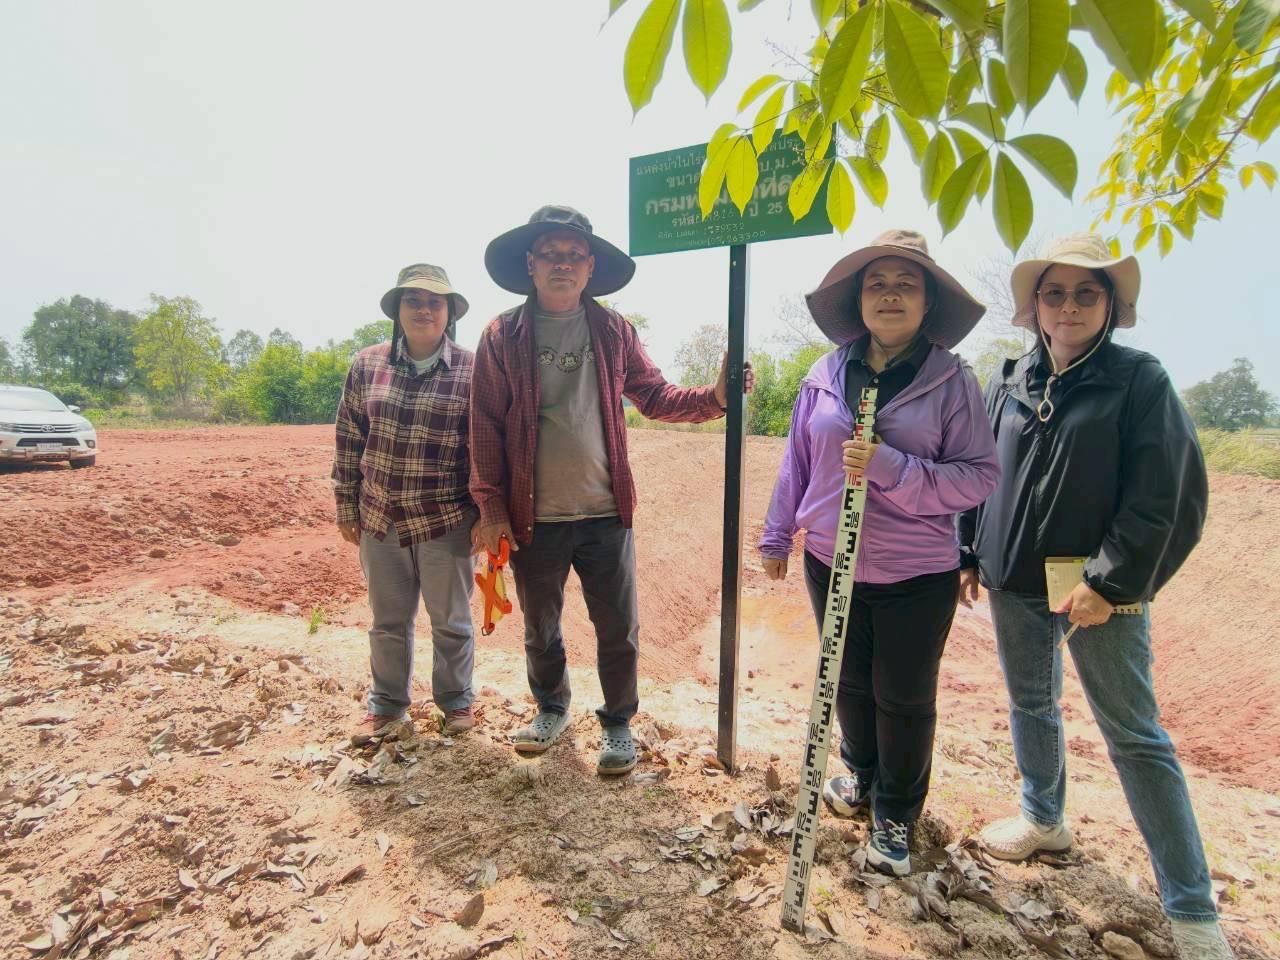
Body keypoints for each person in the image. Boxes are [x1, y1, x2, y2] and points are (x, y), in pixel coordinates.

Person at [958, 234, 1231, 960]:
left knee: (1135, 736)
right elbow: (982, 469)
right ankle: (1044, 817)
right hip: (1014, 575)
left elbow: (1165, 495)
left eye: (1087, 293)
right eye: (1055, 293)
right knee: (1031, 703)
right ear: (1035, 307)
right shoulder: (1009, 376)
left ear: (1110, 305)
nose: (1069, 306)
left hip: (1096, 587)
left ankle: (1193, 911)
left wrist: (1109, 581)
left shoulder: (1139, 380)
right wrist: (968, 547)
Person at [469, 204, 753, 776]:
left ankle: (619, 723)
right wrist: (491, 508)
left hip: (605, 512)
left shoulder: (612, 330)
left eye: (574, 256)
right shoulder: (502, 335)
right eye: (551, 253)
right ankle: (551, 709)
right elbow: (484, 425)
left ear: (590, 267)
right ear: (530, 263)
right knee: (539, 624)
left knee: (617, 627)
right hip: (533, 518)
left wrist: (717, 397)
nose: (562, 264)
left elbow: (655, 395)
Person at [759, 229, 1000, 875]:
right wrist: (778, 531)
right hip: (829, 558)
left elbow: (978, 475)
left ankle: (896, 810)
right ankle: (860, 775)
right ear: (859, 299)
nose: (890, 294)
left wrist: (892, 466)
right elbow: (798, 461)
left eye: (906, 283)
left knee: (904, 694)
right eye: (877, 283)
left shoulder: (952, 381)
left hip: (914, 573)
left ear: (927, 303)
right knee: (846, 678)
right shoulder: (824, 372)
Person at [332, 263, 479, 738]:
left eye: (434, 302)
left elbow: (484, 450)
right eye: (413, 300)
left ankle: (455, 702)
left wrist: (488, 515)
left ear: (449, 313)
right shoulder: (367, 365)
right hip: (381, 520)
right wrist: (347, 505)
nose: (423, 309)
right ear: (397, 310)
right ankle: (388, 705)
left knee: (451, 621)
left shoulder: (474, 371)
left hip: (447, 520)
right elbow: (349, 438)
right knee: (388, 621)